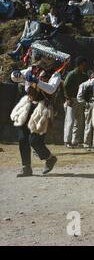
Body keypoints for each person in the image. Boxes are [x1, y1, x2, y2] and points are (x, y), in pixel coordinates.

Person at [10, 44, 69, 177]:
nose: (45, 60)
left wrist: (37, 81)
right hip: (29, 105)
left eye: (48, 58)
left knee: (34, 140)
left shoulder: (55, 74)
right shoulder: (32, 69)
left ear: (53, 60)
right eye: (44, 57)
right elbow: (16, 78)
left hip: (43, 108)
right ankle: (26, 167)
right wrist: (16, 74)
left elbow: (51, 89)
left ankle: (49, 158)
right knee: (22, 138)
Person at [64, 56, 89, 148]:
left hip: (80, 100)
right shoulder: (71, 74)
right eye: (83, 65)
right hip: (71, 99)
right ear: (79, 65)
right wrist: (68, 98)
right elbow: (65, 86)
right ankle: (67, 140)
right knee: (70, 120)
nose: (85, 66)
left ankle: (75, 141)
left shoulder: (84, 75)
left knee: (79, 121)